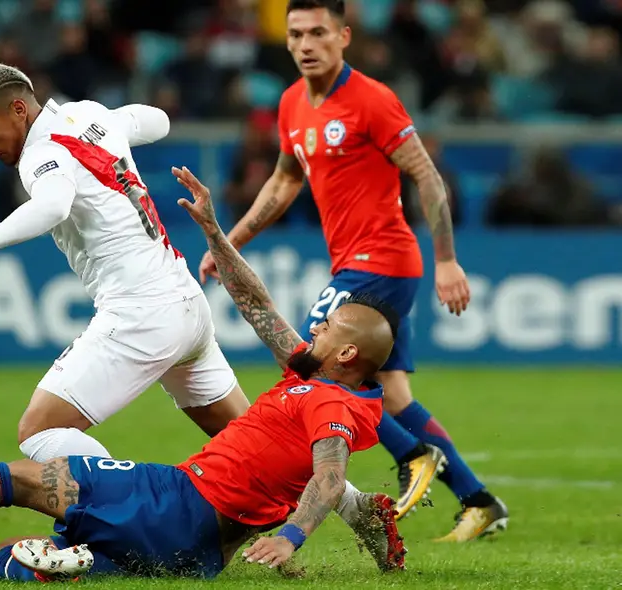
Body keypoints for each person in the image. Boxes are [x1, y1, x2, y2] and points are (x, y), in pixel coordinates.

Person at [0, 167, 406, 581]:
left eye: (328, 328)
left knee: (22, 478)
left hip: (176, 502)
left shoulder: (332, 407)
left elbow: (329, 479)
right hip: (198, 557)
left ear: (347, 356)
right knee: (6, 561)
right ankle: (81, 562)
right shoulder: (315, 374)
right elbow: (256, 304)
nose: (316, 328)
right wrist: (213, 233)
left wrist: (291, 537)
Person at [196, 0, 507, 541]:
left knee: (312, 365)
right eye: (296, 34)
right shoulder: (293, 102)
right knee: (395, 397)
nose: (306, 44)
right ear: (287, 40)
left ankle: (413, 456)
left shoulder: (372, 99)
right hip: (357, 261)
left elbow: (427, 178)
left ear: (343, 36)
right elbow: (284, 181)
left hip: (382, 259)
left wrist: (448, 259)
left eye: (318, 32)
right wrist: (231, 242)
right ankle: (480, 501)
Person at [0, 61, 254, 465]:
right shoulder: (89, 115)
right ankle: (352, 505)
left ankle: (135, 508)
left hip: (140, 314)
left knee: (38, 432)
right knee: (256, 442)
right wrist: (112, 126)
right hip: (185, 303)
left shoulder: (40, 155)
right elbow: (159, 121)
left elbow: (52, 206)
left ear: (19, 110)